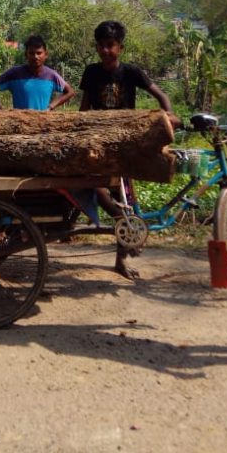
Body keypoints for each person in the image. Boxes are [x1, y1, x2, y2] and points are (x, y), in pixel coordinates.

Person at [79, 20, 175, 279]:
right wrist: (78, 131)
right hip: (98, 141)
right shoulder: (91, 72)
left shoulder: (131, 73)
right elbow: (84, 107)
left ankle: (121, 259)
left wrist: (169, 117)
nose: (105, 51)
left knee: (126, 201)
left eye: (110, 46)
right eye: (101, 46)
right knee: (98, 189)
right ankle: (118, 218)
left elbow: (161, 95)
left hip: (125, 145)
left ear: (120, 47)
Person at [0, 35, 76, 110]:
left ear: (45, 55)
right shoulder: (14, 73)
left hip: (44, 127)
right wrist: (0, 113)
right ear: (26, 55)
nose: (35, 57)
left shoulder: (51, 75)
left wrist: (51, 106)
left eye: (39, 53)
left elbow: (70, 91)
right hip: (19, 128)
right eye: (31, 53)